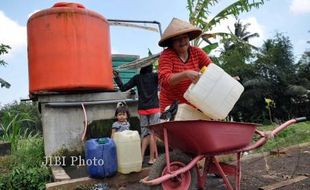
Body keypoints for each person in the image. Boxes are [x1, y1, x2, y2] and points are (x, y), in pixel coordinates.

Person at [158, 18, 213, 112]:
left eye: (185, 37)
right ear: (172, 43)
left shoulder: (197, 52)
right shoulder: (166, 55)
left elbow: (212, 70)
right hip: (171, 107)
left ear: (189, 38)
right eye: (178, 39)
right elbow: (164, 80)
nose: (182, 41)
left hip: (193, 104)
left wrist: (227, 78)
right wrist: (186, 74)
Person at [114, 64, 159, 165]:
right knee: (153, 134)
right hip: (154, 109)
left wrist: (117, 77)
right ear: (151, 68)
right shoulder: (155, 76)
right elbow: (167, 81)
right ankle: (152, 159)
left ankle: (141, 158)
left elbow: (123, 88)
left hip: (142, 109)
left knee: (144, 134)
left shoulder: (137, 78)